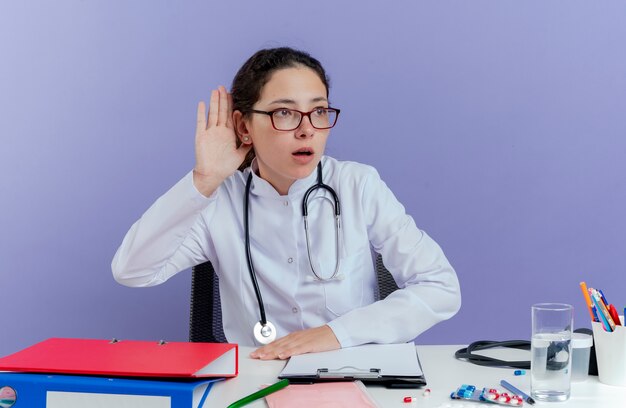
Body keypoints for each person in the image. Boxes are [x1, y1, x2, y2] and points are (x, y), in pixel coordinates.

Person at [112, 47, 461, 360]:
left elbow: (440, 287)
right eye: (285, 113)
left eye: (319, 111)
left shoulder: (357, 184)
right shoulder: (218, 200)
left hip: (351, 369)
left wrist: (334, 334)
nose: (307, 129)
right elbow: (132, 271)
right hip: (257, 378)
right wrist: (204, 179)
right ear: (243, 126)